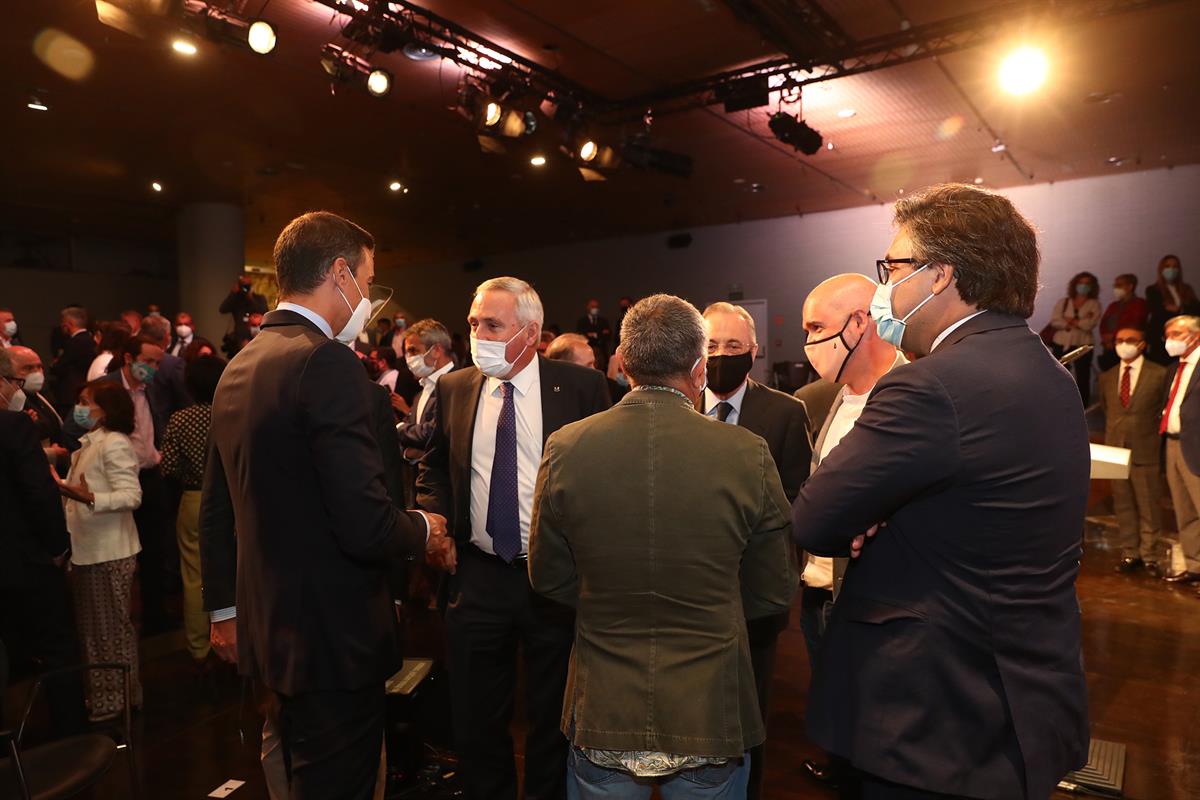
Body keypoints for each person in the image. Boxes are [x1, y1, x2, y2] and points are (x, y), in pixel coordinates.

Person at [792, 183, 1090, 799]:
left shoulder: (929, 386)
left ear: (939, 276)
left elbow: (816, 519)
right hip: (1026, 697)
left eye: (893, 267)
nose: (885, 288)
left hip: (936, 715)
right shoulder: (1053, 376)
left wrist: (870, 509)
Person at [198, 211, 448, 799]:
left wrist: (225, 610)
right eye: (369, 279)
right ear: (341, 274)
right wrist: (423, 527)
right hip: (332, 636)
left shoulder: (245, 358)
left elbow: (220, 504)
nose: (371, 298)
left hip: (276, 628)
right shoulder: (325, 360)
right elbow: (364, 522)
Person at [529, 293, 797, 800]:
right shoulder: (745, 452)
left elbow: (548, 577)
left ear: (624, 365)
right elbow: (773, 590)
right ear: (699, 370)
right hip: (709, 705)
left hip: (606, 703)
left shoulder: (567, 447)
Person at [416, 276, 610, 800]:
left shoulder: (580, 388)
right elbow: (434, 466)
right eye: (474, 322)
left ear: (531, 333)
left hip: (551, 578)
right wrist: (433, 519)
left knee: (553, 718)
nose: (477, 334)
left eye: (492, 325)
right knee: (477, 720)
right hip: (475, 575)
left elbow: (604, 477)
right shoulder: (455, 388)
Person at [794, 274, 906, 790]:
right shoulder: (824, 399)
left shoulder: (914, 395)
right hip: (819, 593)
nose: (808, 342)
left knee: (881, 731)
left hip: (875, 600)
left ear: (860, 322)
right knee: (839, 710)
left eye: (816, 327)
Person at [699, 300, 809, 800]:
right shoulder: (672, 406)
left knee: (749, 709)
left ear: (755, 352)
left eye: (733, 346)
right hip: (687, 588)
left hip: (753, 590)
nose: (721, 355)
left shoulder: (785, 413)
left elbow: (796, 498)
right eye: (711, 345)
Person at [0, 348, 85, 736]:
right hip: (26, 560)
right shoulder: (14, 427)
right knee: (56, 649)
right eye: (17, 381)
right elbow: (39, 495)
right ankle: (72, 738)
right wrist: (58, 548)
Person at [59, 379, 144, 722]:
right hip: (90, 550)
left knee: (111, 631)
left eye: (86, 402)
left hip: (109, 551)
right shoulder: (89, 444)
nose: (81, 408)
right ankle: (110, 697)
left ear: (105, 408)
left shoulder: (114, 444)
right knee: (96, 632)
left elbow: (131, 496)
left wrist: (88, 497)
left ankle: (117, 700)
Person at [162, 355, 226, 670]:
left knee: (192, 575)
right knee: (235, 567)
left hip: (192, 499)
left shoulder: (180, 418)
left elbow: (169, 466)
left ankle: (199, 649)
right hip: (231, 498)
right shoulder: (232, 412)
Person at [1098, 328, 1169, 575]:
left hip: (1145, 448)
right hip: (1116, 449)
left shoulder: (1159, 374)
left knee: (1149, 505)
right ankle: (1131, 553)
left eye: (1130, 340)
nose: (1124, 344)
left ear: (1142, 344)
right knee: (1124, 505)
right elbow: (1110, 411)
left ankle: (1150, 556)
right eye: (1119, 340)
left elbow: (1161, 409)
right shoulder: (1107, 377)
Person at [1159, 315, 1200, 588]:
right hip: (1173, 443)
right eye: (1168, 334)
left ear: (1194, 335)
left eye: (1176, 333)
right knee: (1184, 511)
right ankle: (1195, 566)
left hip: (1196, 446)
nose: (1169, 340)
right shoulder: (1176, 367)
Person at [397, 318, 455, 463]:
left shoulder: (458, 386)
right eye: (407, 352)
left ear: (436, 350)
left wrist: (398, 428)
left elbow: (435, 433)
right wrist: (409, 453)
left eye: (413, 350)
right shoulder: (420, 393)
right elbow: (412, 444)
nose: (409, 358)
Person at [8, 346, 69, 463]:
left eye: (39, 367)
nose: (37, 372)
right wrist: (51, 453)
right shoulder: (10, 402)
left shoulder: (40, 396)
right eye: (28, 368)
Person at [1049, 271, 1101, 406]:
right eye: (1081, 283)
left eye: (1086, 284)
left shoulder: (1094, 304)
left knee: (1083, 376)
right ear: (1075, 284)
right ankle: (1058, 402)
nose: (1083, 286)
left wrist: (1069, 321)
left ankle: (1083, 406)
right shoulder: (1064, 302)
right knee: (1059, 374)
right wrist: (1078, 322)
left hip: (1083, 345)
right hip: (1061, 342)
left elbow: (1089, 325)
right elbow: (1055, 321)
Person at [1146, 255, 1200, 363]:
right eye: (1167, 266)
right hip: (1162, 339)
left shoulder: (1187, 289)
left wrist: (1178, 309)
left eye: (1175, 267)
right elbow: (1158, 312)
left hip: (1186, 338)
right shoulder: (1153, 290)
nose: (1171, 269)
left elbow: (1196, 311)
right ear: (1161, 269)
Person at [1097, 274, 1150, 371]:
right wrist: (1105, 338)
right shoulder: (1113, 305)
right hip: (1109, 349)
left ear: (1130, 286)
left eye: (1119, 285)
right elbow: (1103, 324)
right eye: (1115, 286)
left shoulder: (1139, 303)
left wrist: (1113, 338)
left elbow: (1134, 324)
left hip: (1128, 347)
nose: (1116, 288)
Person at [50, 305, 96, 414]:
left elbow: (60, 366)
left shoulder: (74, 342)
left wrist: (53, 365)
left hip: (70, 393)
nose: (62, 325)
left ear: (69, 324)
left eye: (63, 322)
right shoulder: (91, 339)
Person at [219, 275, 269, 358]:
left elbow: (263, 311)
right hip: (241, 337)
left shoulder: (259, 298)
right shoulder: (236, 300)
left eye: (247, 285)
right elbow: (222, 309)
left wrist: (251, 297)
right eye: (243, 285)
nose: (245, 288)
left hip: (258, 335)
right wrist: (232, 294)